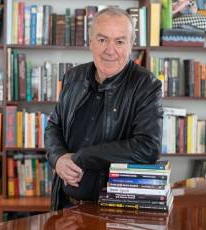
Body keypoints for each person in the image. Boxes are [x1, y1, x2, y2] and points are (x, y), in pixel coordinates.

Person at [45, 7, 163, 211]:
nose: (110, 50)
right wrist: (59, 158)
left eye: (119, 41)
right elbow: (54, 126)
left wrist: (82, 157)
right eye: (102, 40)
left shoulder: (146, 85)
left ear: (130, 45)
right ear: (90, 42)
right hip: (64, 205)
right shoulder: (73, 77)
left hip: (112, 210)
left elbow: (147, 147)